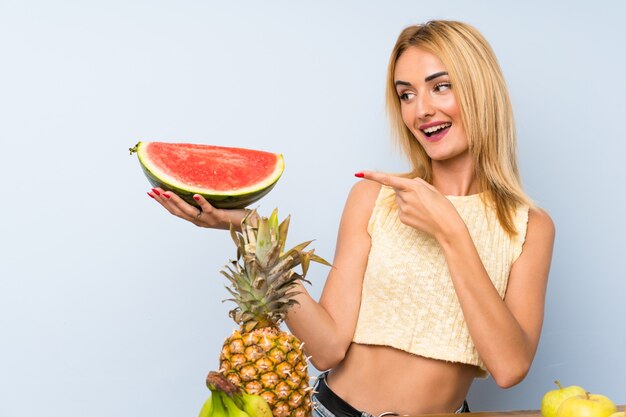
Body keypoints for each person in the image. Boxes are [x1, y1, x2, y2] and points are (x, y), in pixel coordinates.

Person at [147, 20, 555, 416]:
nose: (421, 110)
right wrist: (252, 230)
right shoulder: (373, 198)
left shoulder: (529, 226)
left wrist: (451, 231)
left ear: (481, 91)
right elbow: (327, 348)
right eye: (406, 94)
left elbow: (510, 366)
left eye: (440, 86)